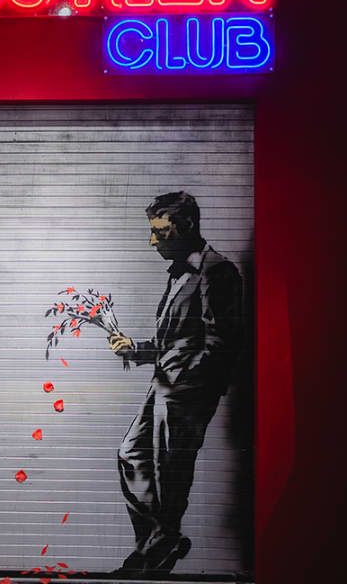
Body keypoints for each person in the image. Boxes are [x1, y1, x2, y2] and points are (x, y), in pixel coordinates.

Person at [107, 191, 242, 576]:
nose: (153, 241)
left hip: (187, 393)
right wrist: (136, 349)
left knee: (170, 472)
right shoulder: (178, 272)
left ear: (186, 227)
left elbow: (221, 343)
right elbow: (176, 339)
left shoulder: (217, 271)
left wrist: (185, 383)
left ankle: (154, 554)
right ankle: (160, 540)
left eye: (160, 232)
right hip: (163, 384)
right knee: (131, 456)